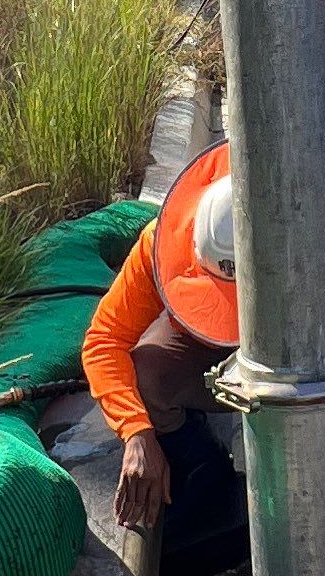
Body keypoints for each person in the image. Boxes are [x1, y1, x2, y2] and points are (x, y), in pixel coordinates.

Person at [81, 141, 247, 540]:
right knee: (147, 375)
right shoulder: (162, 241)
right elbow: (104, 341)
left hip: (284, 358)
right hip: (212, 354)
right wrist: (137, 433)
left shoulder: (307, 242)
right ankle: (201, 467)